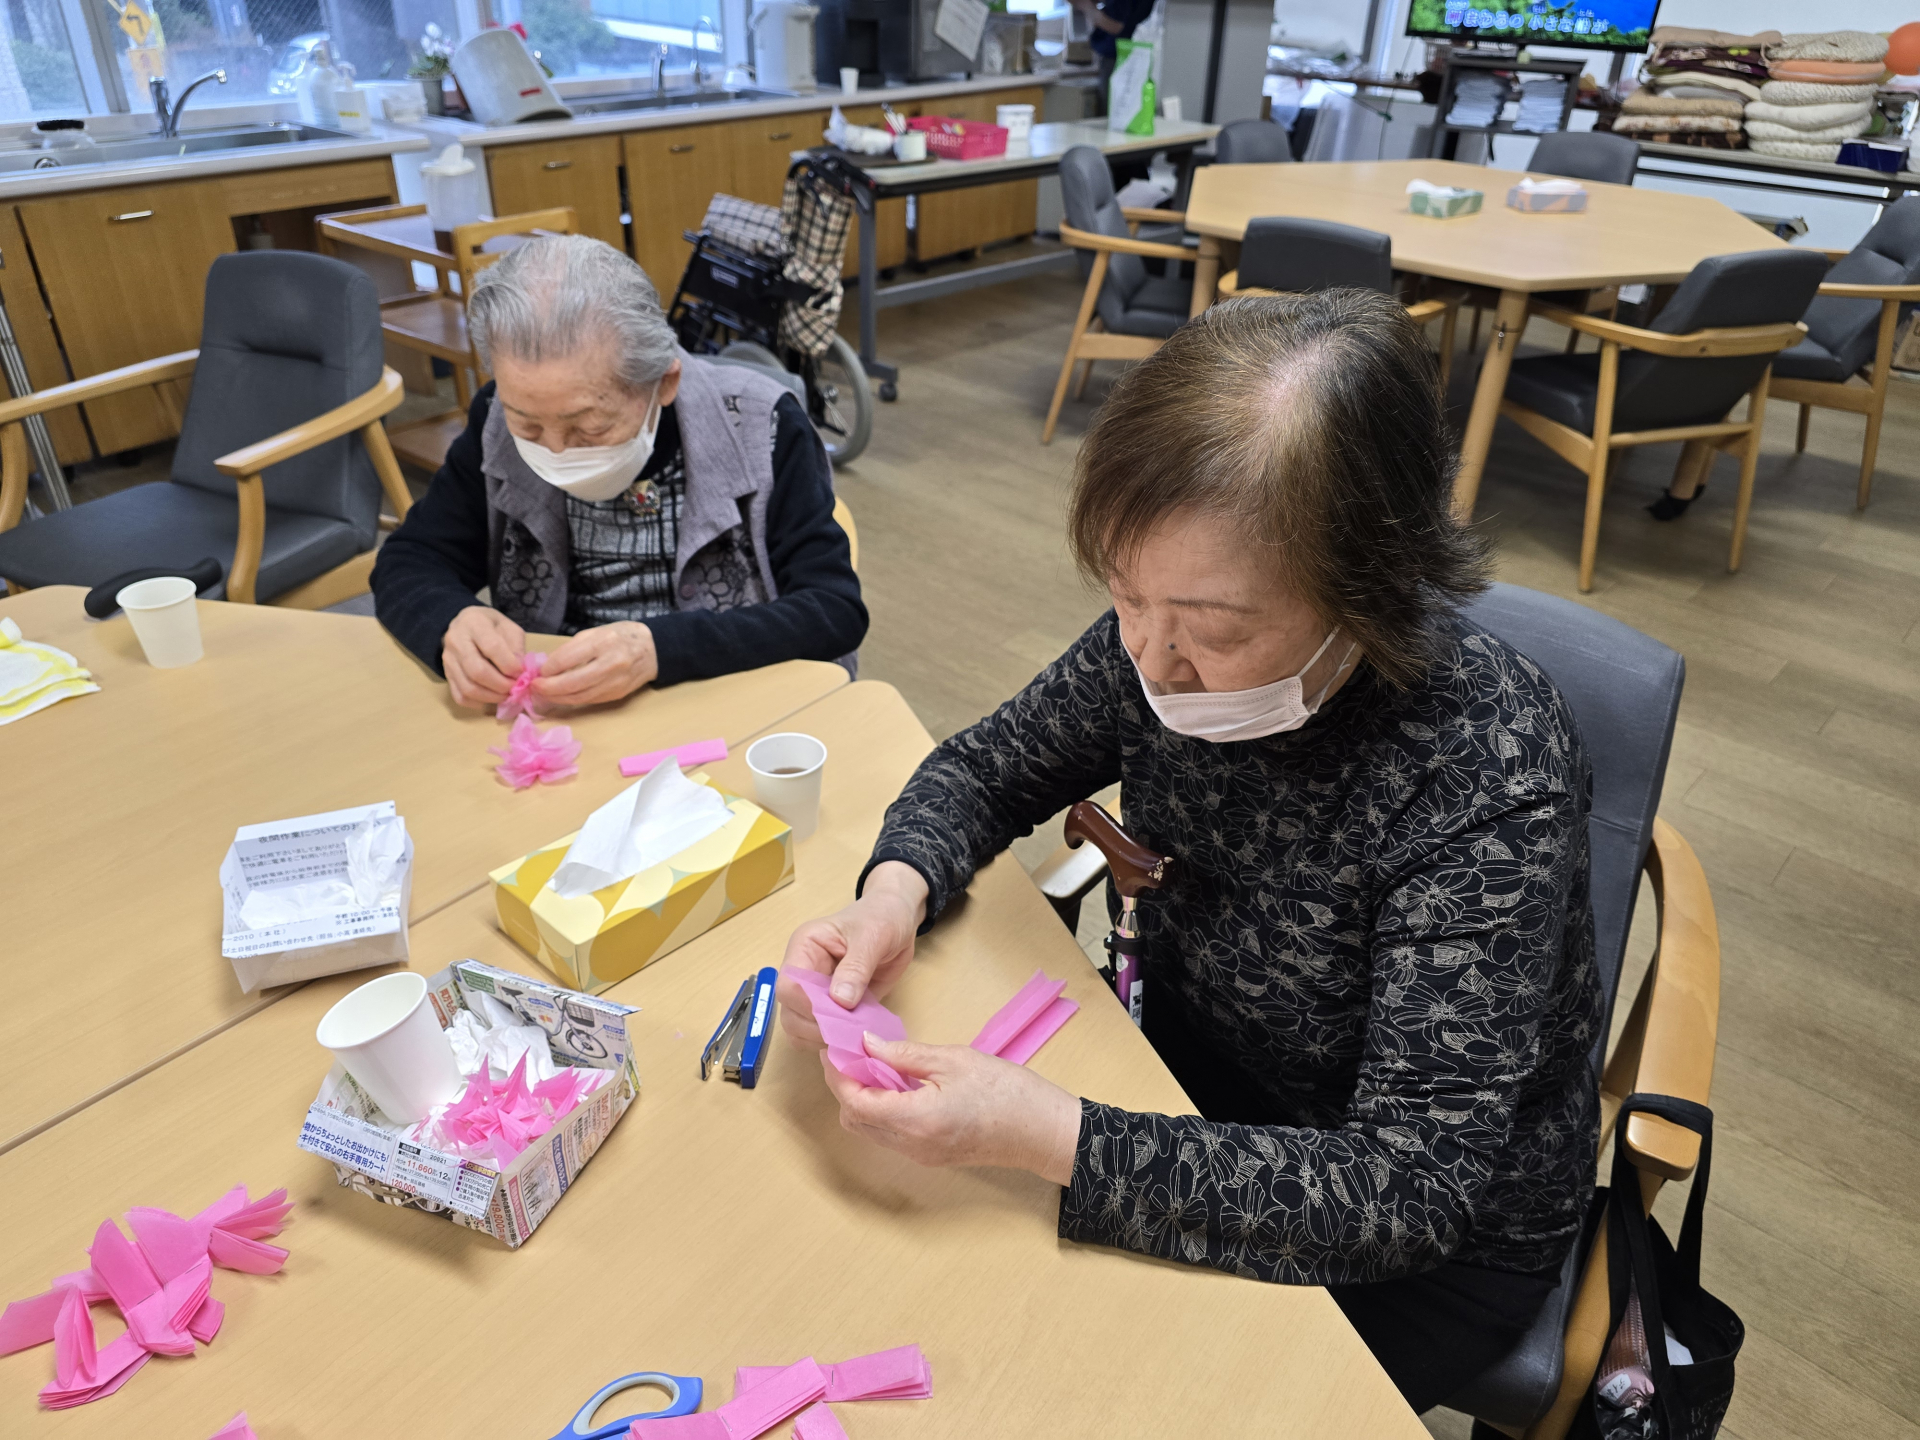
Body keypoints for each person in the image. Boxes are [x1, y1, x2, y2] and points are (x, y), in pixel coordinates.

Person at [777, 292, 1602, 1415]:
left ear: (1372, 586)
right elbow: (983, 770)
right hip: (1181, 1081)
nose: (1155, 663)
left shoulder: (1486, 768)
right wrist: (893, 893)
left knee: (1099, 1390)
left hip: (1417, 1238)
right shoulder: (1159, 627)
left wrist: (1052, 1135)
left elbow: (1407, 1190)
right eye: (1124, 599)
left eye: (1213, 631)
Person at [371, 234, 865, 708]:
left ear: (664, 382)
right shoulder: (496, 419)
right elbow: (411, 558)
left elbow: (831, 610)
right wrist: (452, 620)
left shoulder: (763, 426)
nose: (556, 451)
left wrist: (659, 649)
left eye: (588, 426)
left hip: (726, 704)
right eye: (530, 426)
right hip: (564, 714)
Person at [1067, 0, 1159, 104]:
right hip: (1132, 54)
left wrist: (1086, 6)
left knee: (1114, 105)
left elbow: (1117, 26)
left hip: (1120, 56)